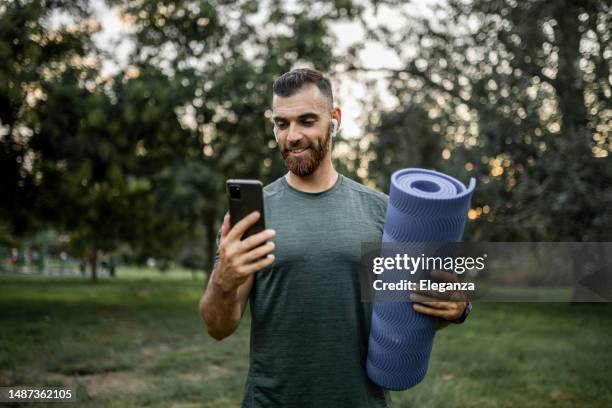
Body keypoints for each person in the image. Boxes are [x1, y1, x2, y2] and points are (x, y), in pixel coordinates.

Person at [198, 68, 469, 407]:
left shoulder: (383, 212)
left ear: (334, 119)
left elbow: (413, 312)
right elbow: (217, 327)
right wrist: (222, 281)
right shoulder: (253, 216)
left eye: (307, 121)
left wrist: (454, 307)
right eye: (282, 124)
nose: (293, 136)